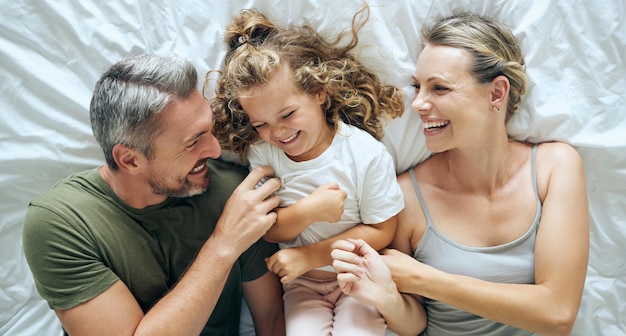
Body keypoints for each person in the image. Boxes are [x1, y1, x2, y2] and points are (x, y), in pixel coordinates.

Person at [331, 12, 589, 336]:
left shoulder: (554, 169)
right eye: (417, 87)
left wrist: (424, 278)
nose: (419, 104)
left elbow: (558, 313)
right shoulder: (406, 196)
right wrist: (389, 300)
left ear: (496, 93)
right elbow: (414, 323)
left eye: (439, 88)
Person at [21, 54, 286, 336]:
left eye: (209, 131)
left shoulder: (234, 195)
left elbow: (270, 318)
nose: (215, 151)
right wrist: (224, 245)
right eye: (193, 142)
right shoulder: (60, 223)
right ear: (130, 160)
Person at [209, 6, 405, 336]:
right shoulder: (264, 153)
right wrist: (308, 211)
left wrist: (308, 256)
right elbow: (270, 230)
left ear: (319, 92)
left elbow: (383, 230)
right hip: (303, 286)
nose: (278, 132)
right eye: (261, 123)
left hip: (359, 277)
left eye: (287, 114)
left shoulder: (364, 153)